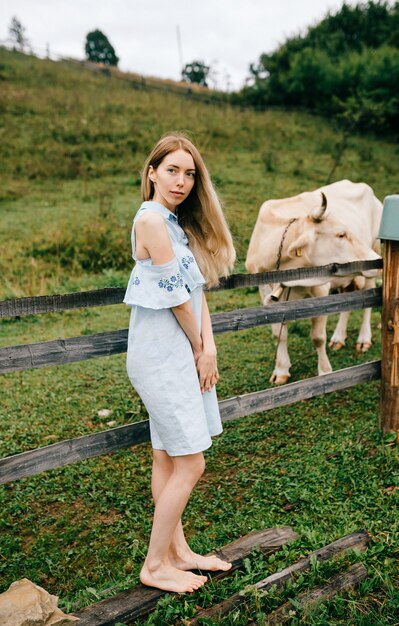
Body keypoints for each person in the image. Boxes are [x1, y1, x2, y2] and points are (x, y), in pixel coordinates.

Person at [123, 132, 236, 593]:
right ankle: (154, 565)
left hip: (181, 350)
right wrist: (199, 348)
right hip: (161, 356)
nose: (182, 181)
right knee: (192, 464)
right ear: (151, 172)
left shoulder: (174, 225)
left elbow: (197, 293)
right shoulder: (150, 221)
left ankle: (178, 552)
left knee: (168, 458)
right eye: (172, 170)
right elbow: (174, 298)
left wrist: (207, 345)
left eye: (190, 174)